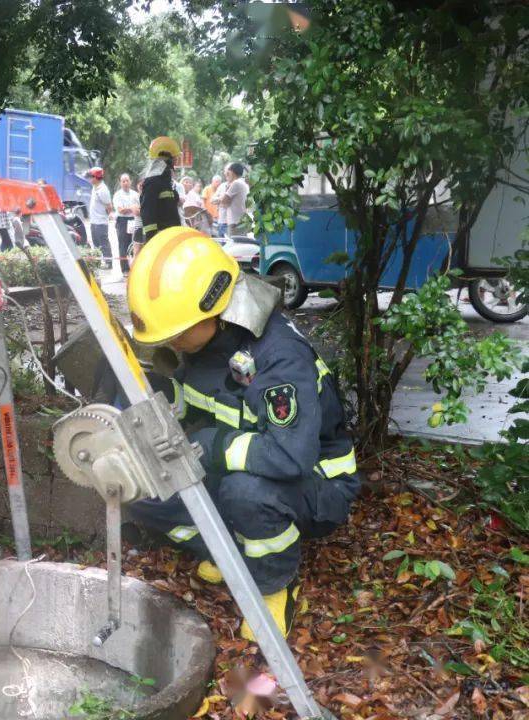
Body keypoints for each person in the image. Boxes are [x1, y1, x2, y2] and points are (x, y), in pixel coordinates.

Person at [122, 227, 360, 641]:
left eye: (177, 331)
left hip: (315, 484)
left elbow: (290, 458)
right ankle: (226, 550)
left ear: (215, 307)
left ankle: (274, 586)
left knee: (244, 492)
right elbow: (195, 399)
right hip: (248, 464)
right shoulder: (205, 343)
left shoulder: (279, 358)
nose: (172, 342)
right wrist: (149, 398)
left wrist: (213, 447)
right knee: (142, 488)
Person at [138, 136, 182, 242]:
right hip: (160, 238)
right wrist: (152, 238)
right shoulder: (153, 181)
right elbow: (148, 211)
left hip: (171, 235)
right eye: (174, 158)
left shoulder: (166, 182)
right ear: (167, 160)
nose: (176, 162)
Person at [112, 173, 140, 273]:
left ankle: (134, 267)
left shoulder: (135, 194)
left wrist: (131, 209)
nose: (125, 183)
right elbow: (121, 210)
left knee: (134, 244)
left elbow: (139, 208)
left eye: (127, 180)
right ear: (120, 183)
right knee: (123, 245)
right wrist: (132, 208)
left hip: (134, 220)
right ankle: (125, 269)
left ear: (130, 182)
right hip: (122, 221)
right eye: (123, 181)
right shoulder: (117, 195)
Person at [86, 167, 113, 265]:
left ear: (96, 177)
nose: (89, 179)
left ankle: (109, 262)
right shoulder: (95, 187)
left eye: (91, 177)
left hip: (101, 222)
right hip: (94, 221)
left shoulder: (103, 190)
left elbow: (109, 206)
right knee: (96, 244)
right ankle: (98, 263)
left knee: (104, 243)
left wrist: (106, 216)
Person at [219, 162, 250, 237]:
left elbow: (224, 201)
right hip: (241, 220)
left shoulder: (236, 183)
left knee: (233, 245)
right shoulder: (243, 183)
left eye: (228, 173)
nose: (227, 175)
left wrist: (226, 190)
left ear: (232, 172)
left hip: (235, 222)